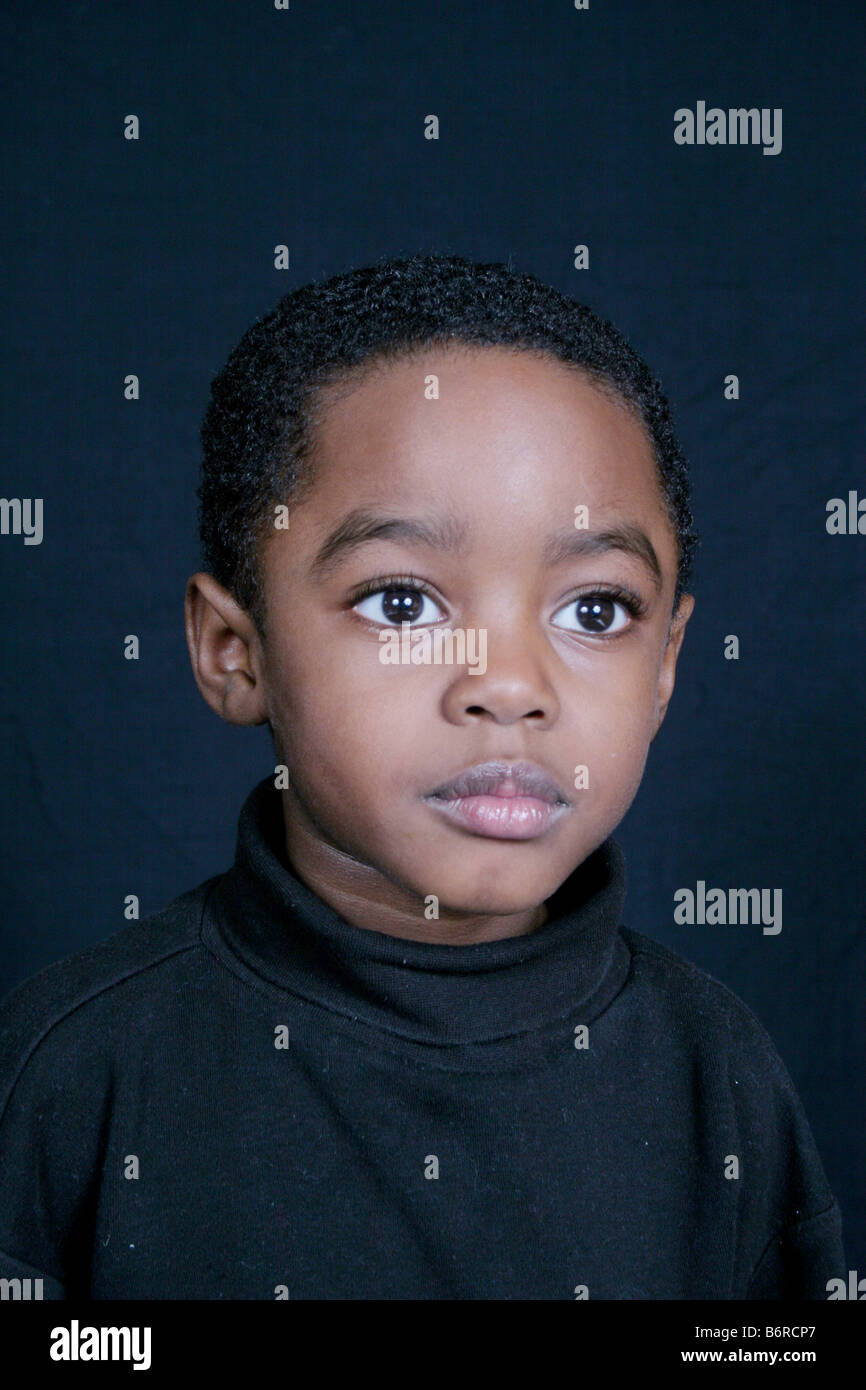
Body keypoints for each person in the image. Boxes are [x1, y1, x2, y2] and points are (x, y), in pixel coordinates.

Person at [0, 253, 845, 1299]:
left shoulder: (715, 1076)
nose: (508, 686)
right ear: (234, 650)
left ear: (667, 661)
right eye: (401, 602)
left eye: (594, 609)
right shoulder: (70, 1074)